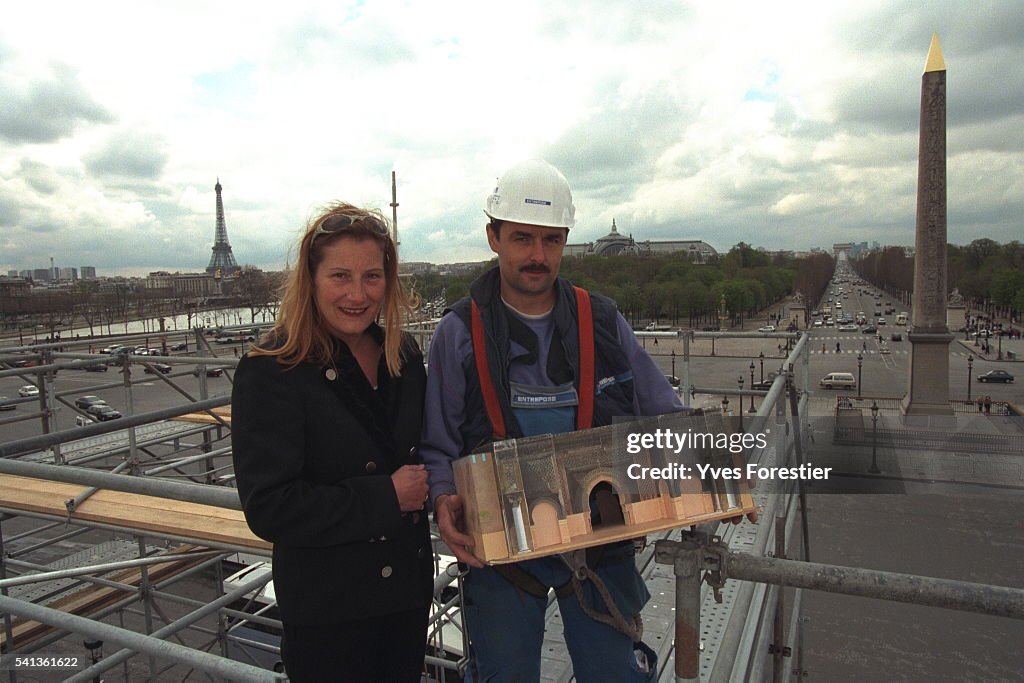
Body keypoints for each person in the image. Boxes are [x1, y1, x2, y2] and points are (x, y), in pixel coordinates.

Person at [420, 160, 753, 682]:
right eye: (522, 239)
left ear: (566, 241)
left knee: (611, 674)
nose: (537, 256)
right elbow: (438, 441)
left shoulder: (601, 320)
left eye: (551, 241)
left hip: (602, 537)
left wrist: (720, 480)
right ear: (494, 237)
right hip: (502, 547)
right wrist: (443, 498)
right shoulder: (459, 333)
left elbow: (663, 413)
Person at [231, 203, 433, 682]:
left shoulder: (401, 354)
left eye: (372, 277)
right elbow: (269, 507)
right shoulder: (271, 368)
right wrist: (386, 496)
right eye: (340, 276)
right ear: (312, 279)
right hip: (331, 613)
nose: (358, 295)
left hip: (403, 598)